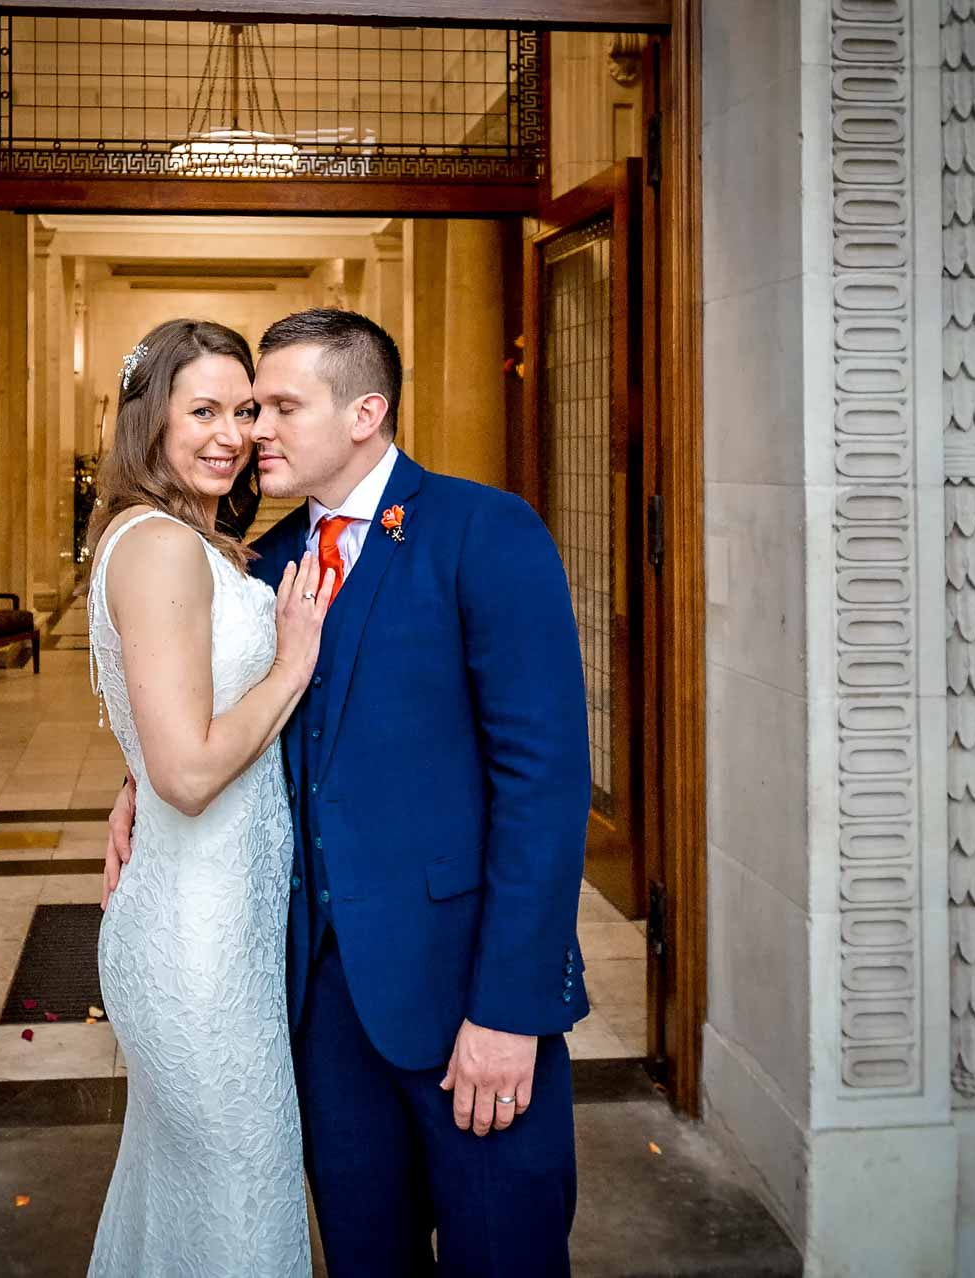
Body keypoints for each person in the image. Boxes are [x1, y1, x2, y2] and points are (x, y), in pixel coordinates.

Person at [105, 307, 593, 1276]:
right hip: (315, 1010)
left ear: (366, 411)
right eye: (250, 408)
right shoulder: (267, 562)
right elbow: (201, 712)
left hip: (465, 1002)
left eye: (279, 406)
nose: (254, 433)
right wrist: (135, 782)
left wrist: (511, 1008)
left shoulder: (484, 532)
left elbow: (544, 784)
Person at [83, 319, 332, 1277]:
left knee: (202, 1200)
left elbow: (170, 731)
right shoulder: (160, 546)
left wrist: (133, 777)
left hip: (222, 929)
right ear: (151, 420)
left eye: (248, 409)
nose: (232, 433)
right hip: (195, 945)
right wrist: (293, 664)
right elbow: (185, 775)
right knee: (236, 1196)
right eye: (204, 410)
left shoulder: (193, 538)